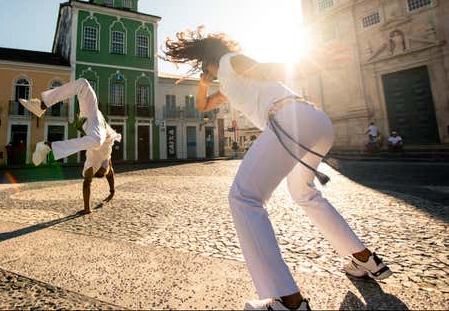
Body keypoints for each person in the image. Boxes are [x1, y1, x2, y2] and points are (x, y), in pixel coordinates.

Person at [163, 27, 392, 311]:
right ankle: (365, 259)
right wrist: (203, 83)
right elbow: (204, 105)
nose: (205, 69)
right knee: (303, 192)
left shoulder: (230, 61)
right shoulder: (229, 84)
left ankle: (287, 301)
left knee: (243, 197)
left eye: (203, 63)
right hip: (314, 122)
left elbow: (267, 70)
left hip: (290, 120)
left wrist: (311, 61)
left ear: (208, 57)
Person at [19, 78, 120, 214]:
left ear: (97, 171)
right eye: (105, 170)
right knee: (83, 84)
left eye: (100, 171)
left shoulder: (91, 164)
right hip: (93, 116)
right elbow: (111, 175)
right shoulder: (107, 160)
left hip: (91, 127)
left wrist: (86, 208)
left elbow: (86, 184)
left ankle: (48, 146)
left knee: (96, 141)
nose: (103, 169)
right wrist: (112, 191)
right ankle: (41, 106)